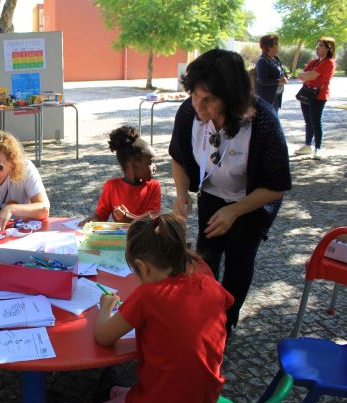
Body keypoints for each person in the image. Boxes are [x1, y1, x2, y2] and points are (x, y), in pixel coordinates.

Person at [169, 49, 291, 336]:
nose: (199, 107)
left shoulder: (263, 121)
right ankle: (204, 314)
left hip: (250, 202)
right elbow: (178, 156)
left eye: (209, 100)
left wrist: (235, 211)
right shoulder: (188, 111)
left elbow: (277, 185)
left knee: (240, 260)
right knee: (206, 255)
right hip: (212, 193)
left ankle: (226, 321)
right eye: (194, 96)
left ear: (231, 97)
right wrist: (182, 192)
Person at [94, 214, 234, 403]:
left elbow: (103, 336)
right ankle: (122, 393)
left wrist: (106, 306)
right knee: (123, 393)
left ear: (142, 267)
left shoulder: (147, 295)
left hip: (164, 401)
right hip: (205, 398)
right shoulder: (211, 285)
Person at [80, 126, 160, 226]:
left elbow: (152, 220)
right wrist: (94, 219)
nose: (154, 167)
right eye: (150, 162)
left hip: (145, 236)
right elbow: (101, 214)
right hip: (118, 235)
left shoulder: (153, 186)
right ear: (134, 165)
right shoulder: (111, 186)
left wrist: (129, 218)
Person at [0, 130, 50, 230]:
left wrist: (11, 209)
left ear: (11, 163)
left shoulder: (26, 169)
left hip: (20, 234)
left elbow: (44, 209)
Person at [294, 36, 336, 160]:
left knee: (315, 121)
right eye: (317, 46)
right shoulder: (314, 62)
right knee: (308, 121)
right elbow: (299, 76)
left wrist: (307, 75)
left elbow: (310, 75)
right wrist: (306, 75)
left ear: (329, 48)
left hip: (319, 95)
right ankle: (308, 145)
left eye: (321, 46)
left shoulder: (329, 62)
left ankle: (318, 148)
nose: (317, 48)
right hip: (307, 93)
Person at [255, 34, 288, 113]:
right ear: (269, 46)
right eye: (276, 43)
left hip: (276, 96)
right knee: (270, 118)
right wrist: (279, 81)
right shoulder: (262, 61)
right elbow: (263, 81)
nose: (278, 45)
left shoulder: (275, 58)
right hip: (267, 98)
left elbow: (280, 71)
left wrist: (285, 76)